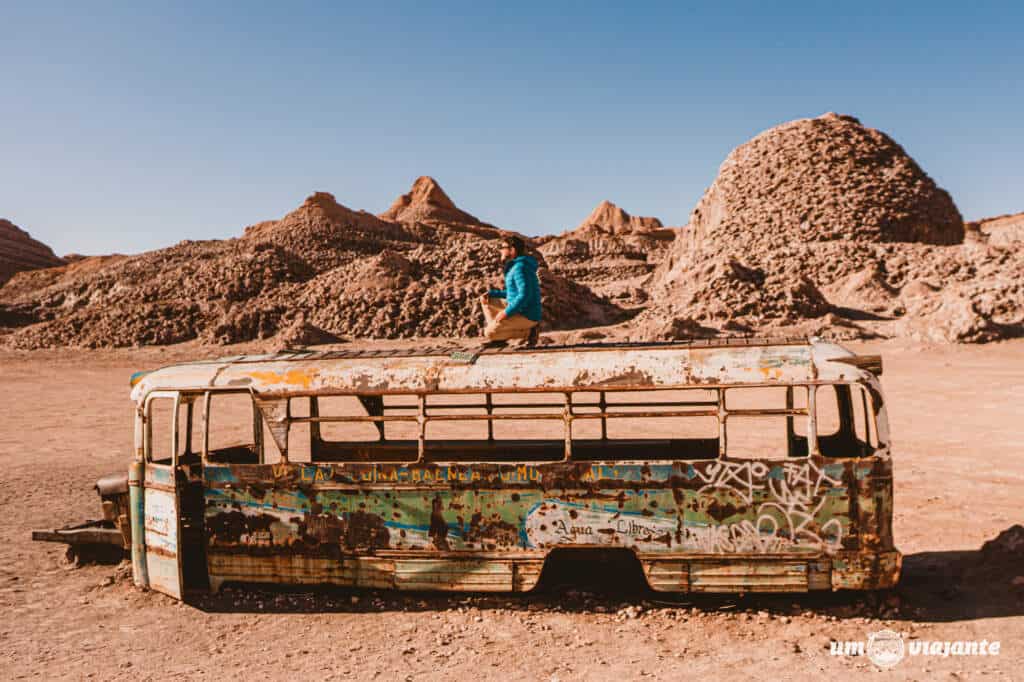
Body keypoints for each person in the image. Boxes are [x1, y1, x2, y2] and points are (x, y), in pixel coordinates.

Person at [479, 235, 542, 343]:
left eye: (503, 248)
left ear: (512, 250)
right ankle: (498, 337)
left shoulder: (520, 268)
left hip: (527, 314)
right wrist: (491, 293)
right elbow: (514, 293)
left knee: (488, 333)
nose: (501, 251)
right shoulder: (515, 266)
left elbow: (525, 295)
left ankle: (530, 332)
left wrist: (506, 313)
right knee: (486, 299)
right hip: (520, 308)